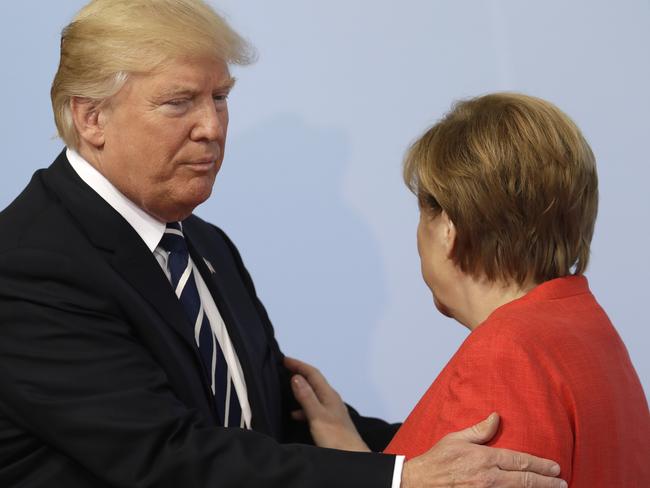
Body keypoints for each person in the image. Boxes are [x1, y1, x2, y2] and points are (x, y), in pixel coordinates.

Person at [0, 1, 566, 487]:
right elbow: (167, 457)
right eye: (179, 103)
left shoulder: (204, 245)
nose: (213, 127)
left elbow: (278, 423)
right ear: (91, 117)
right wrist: (403, 478)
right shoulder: (29, 263)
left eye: (220, 97)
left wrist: (444, 457)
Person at [286, 93, 650, 487]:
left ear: (448, 229)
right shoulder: (585, 329)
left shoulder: (506, 355)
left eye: (422, 211)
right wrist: (351, 452)